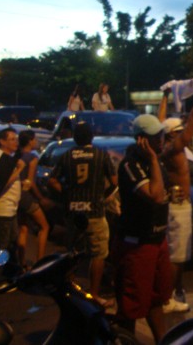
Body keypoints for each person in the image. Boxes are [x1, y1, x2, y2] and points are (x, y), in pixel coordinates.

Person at [114, 114, 172, 343]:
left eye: (161, 134)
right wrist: (155, 161)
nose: (161, 139)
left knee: (156, 299)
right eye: (154, 136)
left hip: (157, 239)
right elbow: (156, 196)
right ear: (141, 140)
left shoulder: (155, 160)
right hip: (137, 244)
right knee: (131, 305)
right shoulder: (131, 165)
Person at [48, 122, 117, 307]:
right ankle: (94, 294)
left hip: (73, 211)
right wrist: (102, 196)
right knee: (99, 253)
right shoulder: (101, 156)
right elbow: (114, 181)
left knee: (72, 252)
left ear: (75, 138)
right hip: (94, 211)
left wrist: (65, 192)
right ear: (91, 137)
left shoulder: (66, 156)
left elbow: (52, 179)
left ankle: (69, 290)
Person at [157, 76, 193, 313]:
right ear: (173, 135)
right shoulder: (175, 147)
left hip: (173, 204)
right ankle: (168, 298)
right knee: (176, 257)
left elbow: (160, 122)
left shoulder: (163, 145)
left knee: (176, 254)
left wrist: (166, 95)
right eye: (178, 131)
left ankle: (176, 290)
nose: (182, 132)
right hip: (179, 207)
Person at [0, 128, 24, 282]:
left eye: (16, 139)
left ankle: (8, 273)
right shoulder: (3, 160)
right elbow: (1, 184)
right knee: (0, 246)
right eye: (11, 139)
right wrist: (19, 169)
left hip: (10, 210)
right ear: (2, 142)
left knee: (11, 242)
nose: (16, 142)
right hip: (1, 210)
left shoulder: (10, 159)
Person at [16, 130, 50, 269]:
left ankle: (21, 262)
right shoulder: (32, 158)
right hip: (26, 197)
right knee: (44, 226)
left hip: (16, 196)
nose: (36, 142)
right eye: (34, 139)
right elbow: (31, 182)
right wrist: (41, 198)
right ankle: (39, 262)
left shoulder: (17, 156)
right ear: (30, 141)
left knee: (23, 228)